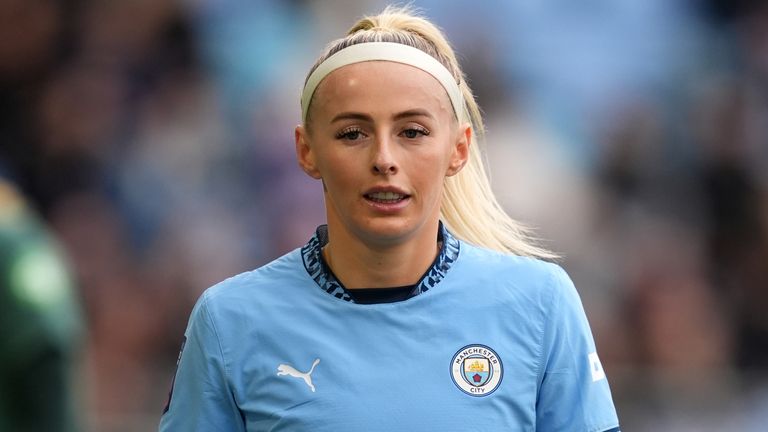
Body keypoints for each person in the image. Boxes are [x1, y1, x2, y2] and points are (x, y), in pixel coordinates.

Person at [159, 6, 620, 431]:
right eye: (353, 133)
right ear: (306, 150)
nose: (384, 158)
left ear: (458, 148)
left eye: (412, 132)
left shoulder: (540, 304)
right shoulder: (230, 319)